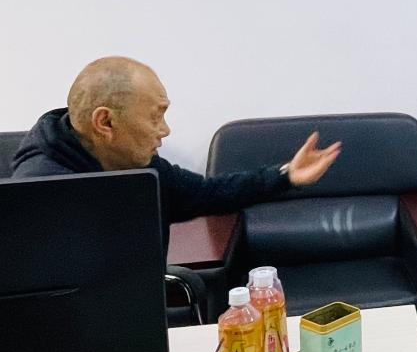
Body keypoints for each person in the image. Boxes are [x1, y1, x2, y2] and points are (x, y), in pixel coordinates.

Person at [11, 56, 342, 253]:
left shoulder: (135, 164)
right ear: (106, 123)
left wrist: (285, 175)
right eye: (155, 116)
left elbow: (207, 193)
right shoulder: (41, 197)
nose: (165, 130)